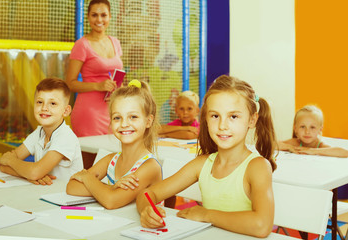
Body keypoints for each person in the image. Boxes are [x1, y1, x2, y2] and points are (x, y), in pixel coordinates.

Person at [136, 75, 277, 238]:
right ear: (206, 120)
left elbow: (262, 225)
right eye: (215, 116)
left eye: (233, 116)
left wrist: (206, 214)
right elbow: (146, 194)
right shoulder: (202, 164)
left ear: (252, 120)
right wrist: (146, 210)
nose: (223, 125)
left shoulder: (257, 166)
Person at [66, 80, 162, 209]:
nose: (124, 124)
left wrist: (87, 178)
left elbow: (111, 201)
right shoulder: (111, 160)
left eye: (133, 117)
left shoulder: (150, 167)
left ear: (148, 121)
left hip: (139, 228)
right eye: (117, 117)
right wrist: (111, 188)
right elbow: (72, 186)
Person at [0, 78, 83, 185]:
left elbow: (33, 172)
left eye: (52, 103)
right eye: (39, 102)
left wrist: (10, 161)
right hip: (44, 192)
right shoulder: (39, 132)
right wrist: (28, 175)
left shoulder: (65, 137)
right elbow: (2, 165)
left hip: (66, 195)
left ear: (65, 111)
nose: (44, 108)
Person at [66, 0, 123, 137]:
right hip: (89, 113)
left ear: (110, 16)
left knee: (112, 156)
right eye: (94, 15)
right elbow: (69, 83)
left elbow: (118, 75)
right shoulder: (82, 45)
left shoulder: (115, 42)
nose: (99, 19)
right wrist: (98, 86)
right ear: (88, 17)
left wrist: (117, 91)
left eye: (103, 15)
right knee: (90, 157)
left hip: (113, 111)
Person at [279, 105, 348, 157]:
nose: (307, 132)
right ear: (295, 129)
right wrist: (289, 147)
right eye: (302, 127)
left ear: (320, 130)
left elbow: (345, 153)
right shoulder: (295, 143)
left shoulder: (320, 145)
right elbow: (272, 144)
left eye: (312, 127)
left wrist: (312, 151)